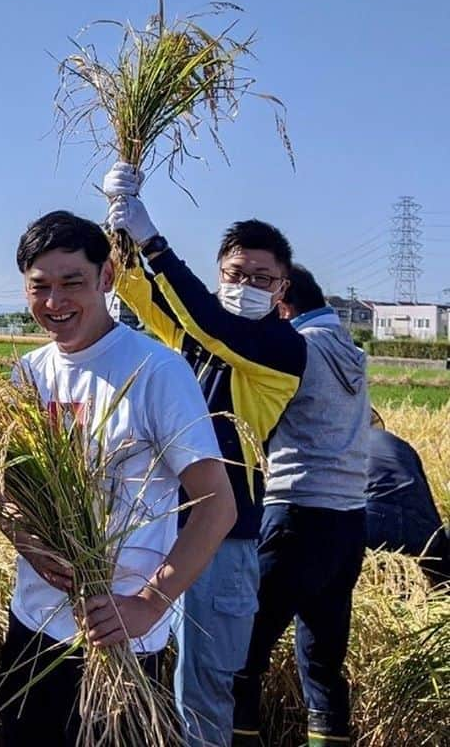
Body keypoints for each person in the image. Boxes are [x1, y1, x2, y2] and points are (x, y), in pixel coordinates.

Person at [0, 210, 237, 745]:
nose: (55, 303)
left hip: (122, 641)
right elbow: (4, 490)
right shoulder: (29, 372)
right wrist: (27, 542)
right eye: (40, 288)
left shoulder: (156, 372)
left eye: (72, 283)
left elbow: (218, 506)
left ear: (106, 278)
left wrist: (150, 604)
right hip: (34, 629)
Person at [105, 163, 306, 746]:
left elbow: (209, 322)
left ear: (282, 289)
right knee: (132, 668)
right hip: (157, 526)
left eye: (262, 278)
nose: (248, 284)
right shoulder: (195, 340)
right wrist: (119, 217)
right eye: (236, 273)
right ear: (220, 274)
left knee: (204, 688)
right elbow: (134, 288)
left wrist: (155, 240)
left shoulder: (281, 350)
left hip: (225, 539)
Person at [233, 266, 370, 747]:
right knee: (323, 666)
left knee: (243, 657)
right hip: (349, 521)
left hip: (295, 514)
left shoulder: (300, 348)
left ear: (282, 297)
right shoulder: (351, 351)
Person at [366, 410, 450, 588]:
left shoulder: (342, 447)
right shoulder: (400, 445)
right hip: (421, 530)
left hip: (370, 524)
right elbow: (424, 496)